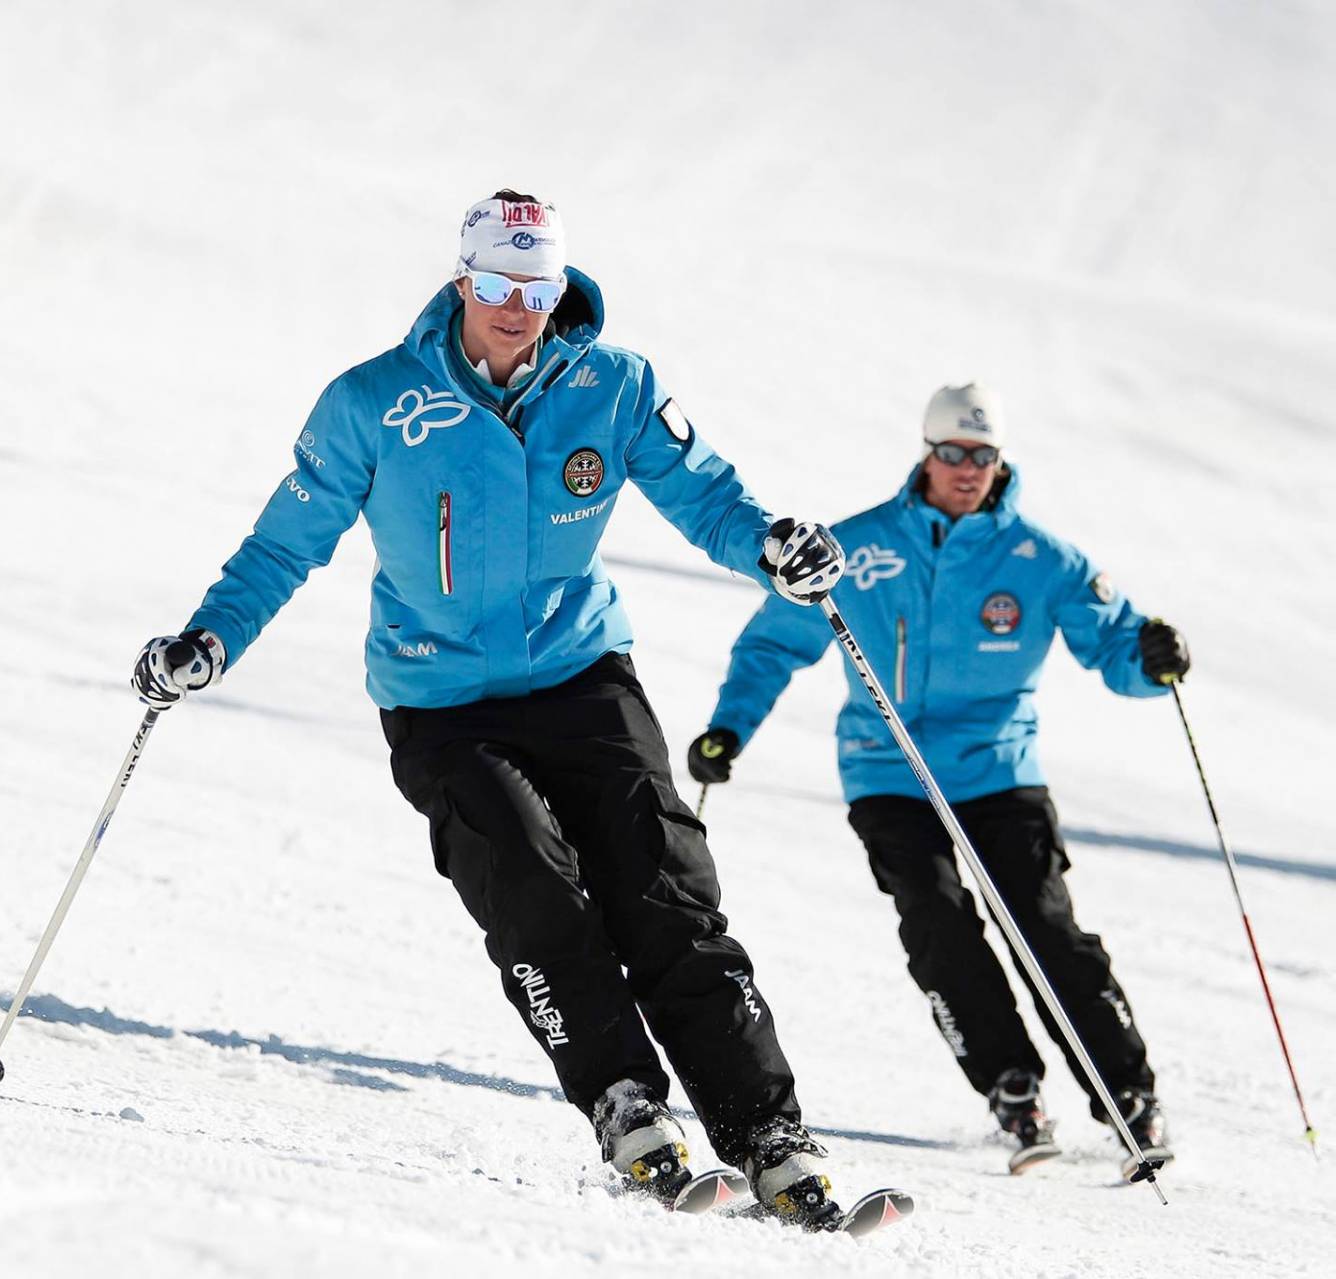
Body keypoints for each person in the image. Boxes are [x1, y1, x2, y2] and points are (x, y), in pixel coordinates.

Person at [129, 191, 863, 1222]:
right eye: (498, 284)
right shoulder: (372, 403)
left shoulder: (614, 384)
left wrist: (771, 548)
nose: (517, 307)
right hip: (442, 699)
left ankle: (768, 1131)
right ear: (463, 278)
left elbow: (704, 491)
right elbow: (284, 543)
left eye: (537, 287)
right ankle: (624, 1100)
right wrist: (209, 638)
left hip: (580, 673)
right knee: (528, 876)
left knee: (666, 882)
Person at [686, 383, 1187, 1171]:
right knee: (936, 920)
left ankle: (1128, 1093)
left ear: (999, 461)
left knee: (1043, 925)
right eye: (951, 452)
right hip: (889, 771)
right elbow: (775, 639)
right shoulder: (860, 544)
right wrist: (728, 728)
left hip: (998, 768)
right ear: (927, 453)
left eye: (981, 456)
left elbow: (1119, 645)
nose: (966, 468)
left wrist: (1153, 662)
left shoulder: (1041, 559)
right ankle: (1012, 1086)